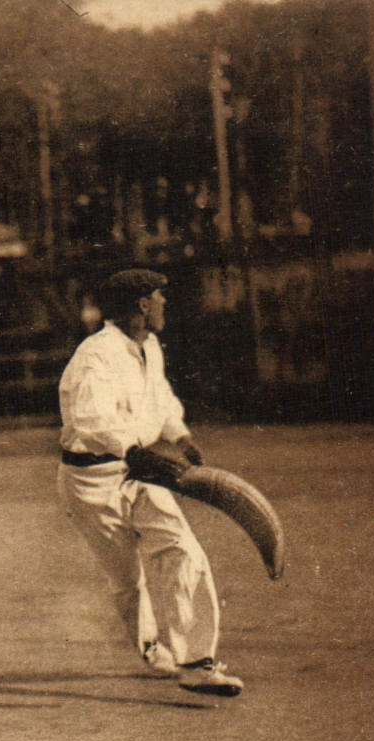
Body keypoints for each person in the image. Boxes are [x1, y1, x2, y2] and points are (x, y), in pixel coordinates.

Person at [56, 268, 243, 697]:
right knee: (127, 579)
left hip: (139, 470)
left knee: (182, 548)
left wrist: (180, 436)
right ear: (141, 305)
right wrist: (133, 450)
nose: (164, 305)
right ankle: (151, 647)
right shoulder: (94, 355)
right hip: (90, 482)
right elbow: (88, 418)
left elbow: (158, 396)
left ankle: (197, 661)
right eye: (159, 297)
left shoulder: (149, 347)